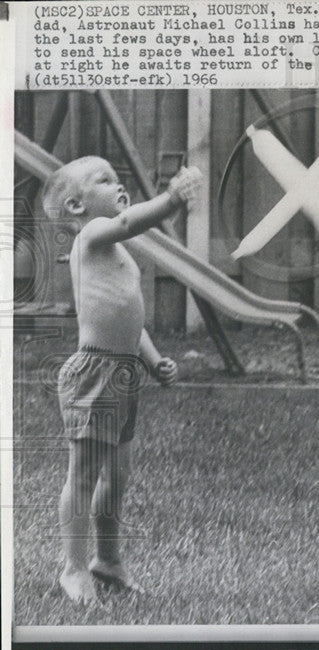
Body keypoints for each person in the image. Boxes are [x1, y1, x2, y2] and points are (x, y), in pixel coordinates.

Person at [41, 156, 202, 603]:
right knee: (85, 474)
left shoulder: (118, 253)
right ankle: (73, 568)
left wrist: (152, 360)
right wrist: (171, 200)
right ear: (76, 206)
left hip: (124, 372)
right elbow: (131, 220)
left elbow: (131, 317)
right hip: (94, 373)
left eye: (118, 177)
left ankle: (107, 560)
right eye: (104, 180)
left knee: (117, 477)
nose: (119, 184)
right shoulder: (91, 236)